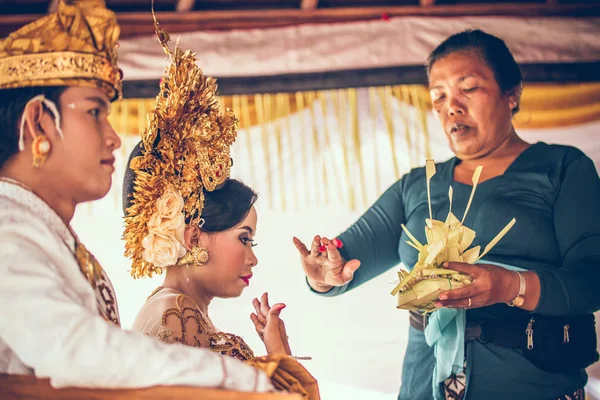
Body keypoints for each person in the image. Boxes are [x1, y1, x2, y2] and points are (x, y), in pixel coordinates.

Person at [294, 29, 600, 400]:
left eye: (468, 89)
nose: (451, 106)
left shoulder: (561, 168)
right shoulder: (418, 185)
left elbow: (592, 280)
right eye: (438, 96)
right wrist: (325, 273)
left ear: (511, 93)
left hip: (533, 385)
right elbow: (346, 258)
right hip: (425, 385)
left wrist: (508, 286)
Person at [0, 0, 275, 393]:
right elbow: (74, 350)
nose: (113, 137)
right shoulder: (7, 228)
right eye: (94, 112)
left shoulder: (42, 233)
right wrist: (249, 380)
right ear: (38, 121)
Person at [120, 10, 319, 399]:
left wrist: (276, 352)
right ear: (194, 236)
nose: (252, 258)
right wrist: (279, 357)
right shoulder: (176, 314)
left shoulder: (180, 311)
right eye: (245, 239)